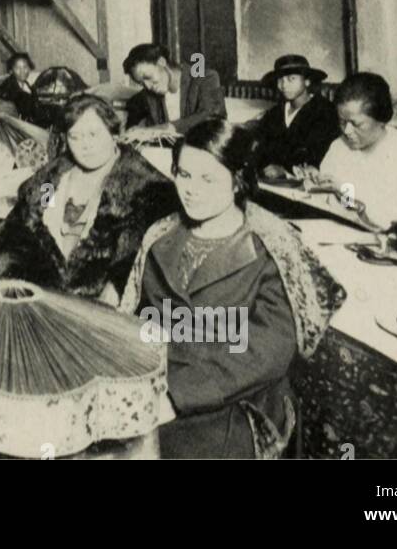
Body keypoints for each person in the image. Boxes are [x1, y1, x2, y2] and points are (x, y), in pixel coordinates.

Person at [121, 118, 342, 459]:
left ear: (238, 180)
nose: (191, 189)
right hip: (161, 387)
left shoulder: (272, 247)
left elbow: (265, 354)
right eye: (184, 174)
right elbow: (140, 325)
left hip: (242, 402)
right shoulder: (159, 236)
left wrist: (177, 397)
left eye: (209, 178)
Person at [0, 95, 179, 298]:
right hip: (41, 297)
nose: (85, 145)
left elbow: (151, 257)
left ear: (114, 133)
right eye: (75, 136)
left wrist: (119, 286)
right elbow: (25, 223)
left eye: (93, 134)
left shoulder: (147, 188)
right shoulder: (52, 179)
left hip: (100, 306)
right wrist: (13, 271)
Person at [313, 72, 397, 228]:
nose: (347, 130)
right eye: (342, 122)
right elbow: (335, 207)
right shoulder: (339, 148)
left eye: (356, 124)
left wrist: (345, 193)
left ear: (381, 118)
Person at [252, 54, 340, 176]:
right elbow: (260, 150)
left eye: (291, 79)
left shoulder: (325, 112)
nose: (284, 85)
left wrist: (285, 171)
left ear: (307, 81)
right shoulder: (274, 114)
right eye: (280, 80)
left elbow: (319, 157)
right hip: (270, 183)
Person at [122, 42, 226, 140]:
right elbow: (133, 104)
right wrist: (130, 129)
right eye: (141, 83)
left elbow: (211, 116)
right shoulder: (149, 94)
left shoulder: (206, 78)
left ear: (161, 62)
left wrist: (164, 128)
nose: (148, 86)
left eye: (148, 77)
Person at [0, 52, 38, 124]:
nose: (22, 71)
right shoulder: (7, 87)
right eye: (17, 68)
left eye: (25, 67)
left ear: (29, 68)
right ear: (11, 70)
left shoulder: (27, 85)